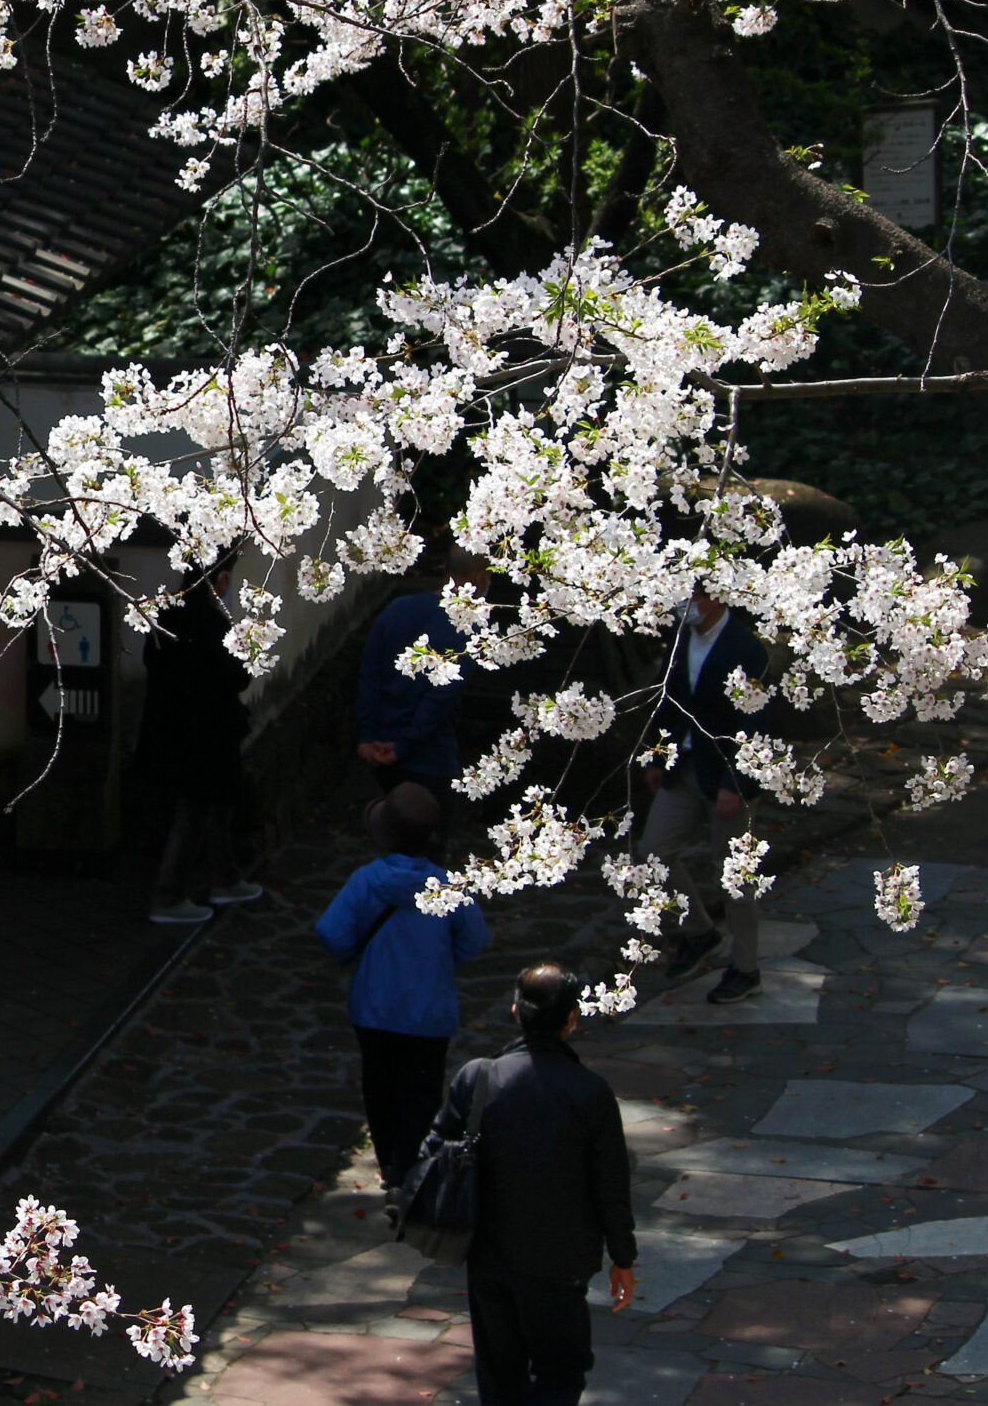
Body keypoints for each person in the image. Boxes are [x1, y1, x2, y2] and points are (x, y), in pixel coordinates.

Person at [418, 965, 636, 1406]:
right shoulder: (590, 1092)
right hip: (560, 1260)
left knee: (500, 1376)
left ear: (515, 1011)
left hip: (489, 1253)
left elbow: (431, 1153)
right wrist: (623, 1258)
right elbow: (610, 1184)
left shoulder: (477, 1078)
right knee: (561, 1372)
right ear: (573, 1019)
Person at [314, 782, 489, 1193]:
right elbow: (475, 941)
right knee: (422, 1092)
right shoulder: (449, 886)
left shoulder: (365, 881)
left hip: (373, 1008)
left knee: (380, 1088)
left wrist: (353, 955)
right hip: (429, 1011)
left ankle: (391, 1161)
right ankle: (408, 1168)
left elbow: (332, 931)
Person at [644, 589, 773, 1004]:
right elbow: (667, 700)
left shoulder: (746, 647)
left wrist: (735, 784)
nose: (686, 603)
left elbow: (756, 721)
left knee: (735, 876)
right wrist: (655, 755)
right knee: (653, 851)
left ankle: (746, 967)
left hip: (724, 771)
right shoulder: (683, 639)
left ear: (717, 597)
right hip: (683, 764)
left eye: (695, 595)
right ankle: (698, 932)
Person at [137, 563, 259, 925]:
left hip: (173, 731)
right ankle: (169, 895)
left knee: (212, 807)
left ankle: (224, 876)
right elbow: (237, 676)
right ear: (218, 581)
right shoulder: (211, 621)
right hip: (205, 734)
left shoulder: (167, 613)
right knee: (194, 813)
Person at [357, 553, 490, 805]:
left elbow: (369, 675)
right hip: (430, 757)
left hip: (379, 745)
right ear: (481, 578)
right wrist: (403, 747)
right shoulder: (469, 630)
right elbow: (440, 698)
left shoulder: (398, 608)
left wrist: (367, 736)